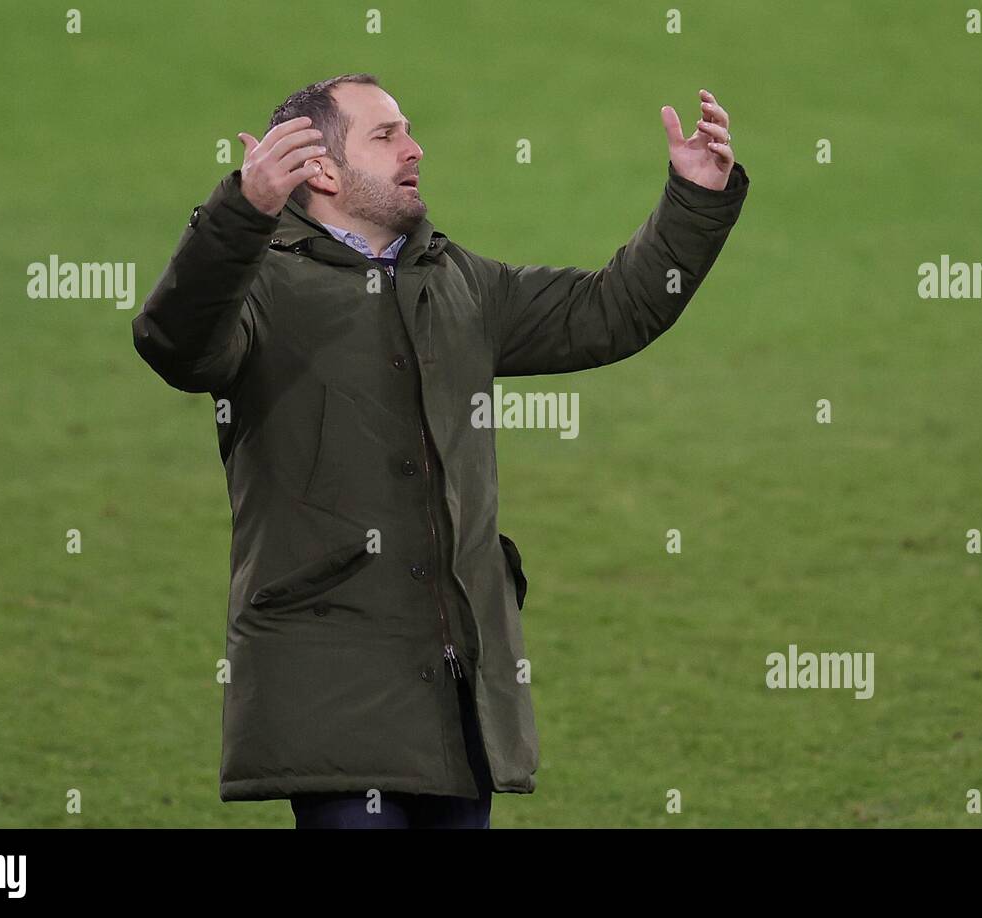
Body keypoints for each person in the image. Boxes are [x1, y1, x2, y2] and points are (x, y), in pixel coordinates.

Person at [131, 73, 749, 828]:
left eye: (409, 131)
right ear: (320, 169)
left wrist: (693, 199)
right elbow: (175, 343)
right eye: (386, 136)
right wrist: (239, 214)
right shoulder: (259, 287)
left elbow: (610, 312)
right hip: (332, 685)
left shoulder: (460, 285)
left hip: (456, 690)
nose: (415, 149)